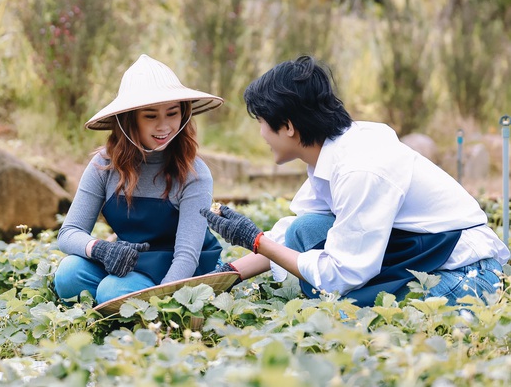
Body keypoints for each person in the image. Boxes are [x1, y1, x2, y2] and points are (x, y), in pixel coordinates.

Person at [202, 55, 510, 307]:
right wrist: (230, 272)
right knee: (302, 230)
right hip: (421, 253)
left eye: (262, 123)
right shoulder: (334, 150)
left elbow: (340, 274)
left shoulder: (359, 170)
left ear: (288, 127)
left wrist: (254, 239)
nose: (260, 135)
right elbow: (292, 235)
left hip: (467, 272)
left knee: (341, 312)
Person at [54, 54, 224, 305]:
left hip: (179, 266)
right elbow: (69, 233)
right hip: (129, 261)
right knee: (68, 274)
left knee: (112, 291)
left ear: (184, 113)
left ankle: (116, 302)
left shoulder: (194, 173)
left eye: (172, 113)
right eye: (150, 116)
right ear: (129, 118)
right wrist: (100, 249)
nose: (164, 126)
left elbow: (187, 256)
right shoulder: (104, 165)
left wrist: (167, 301)